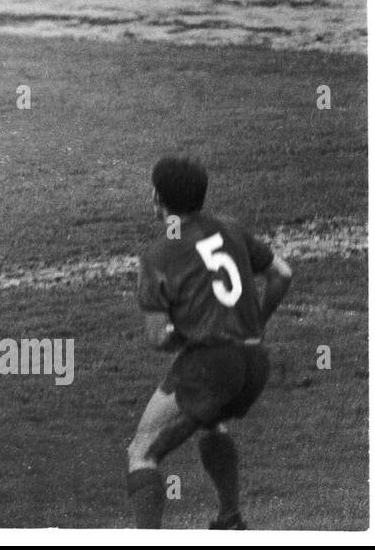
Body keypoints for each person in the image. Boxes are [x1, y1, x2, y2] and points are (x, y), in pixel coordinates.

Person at [125, 156, 292, 529]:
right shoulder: (230, 228)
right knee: (212, 422)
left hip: (210, 366)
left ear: (157, 197)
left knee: (142, 451)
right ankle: (230, 519)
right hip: (254, 363)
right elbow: (281, 273)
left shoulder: (158, 255)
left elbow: (157, 338)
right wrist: (257, 324)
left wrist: (183, 334)